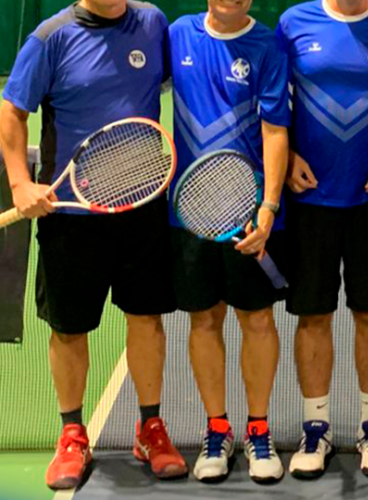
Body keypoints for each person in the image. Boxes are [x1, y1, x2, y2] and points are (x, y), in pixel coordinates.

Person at [0, 0, 184, 489]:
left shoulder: (152, 23)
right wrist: (20, 183)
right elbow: (12, 112)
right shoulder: (50, 38)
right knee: (69, 326)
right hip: (71, 214)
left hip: (141, 205)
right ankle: (72, 434)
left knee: (146, 318)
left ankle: (150, 427)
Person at [276, 0, 368, 480]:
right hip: (310, 198)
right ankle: (316, 429)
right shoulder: (294, 23)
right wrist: (287, 156)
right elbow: (274, 100)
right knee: (313, 315)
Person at [168, 0, 290, 483]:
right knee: (204, 318)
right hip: (192, 210)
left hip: (247, 207)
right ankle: (216, 429)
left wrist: (268, 207)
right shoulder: (177, 34)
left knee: (257, 318)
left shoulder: (267, 46)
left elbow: (275, 130)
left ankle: (259, 430)